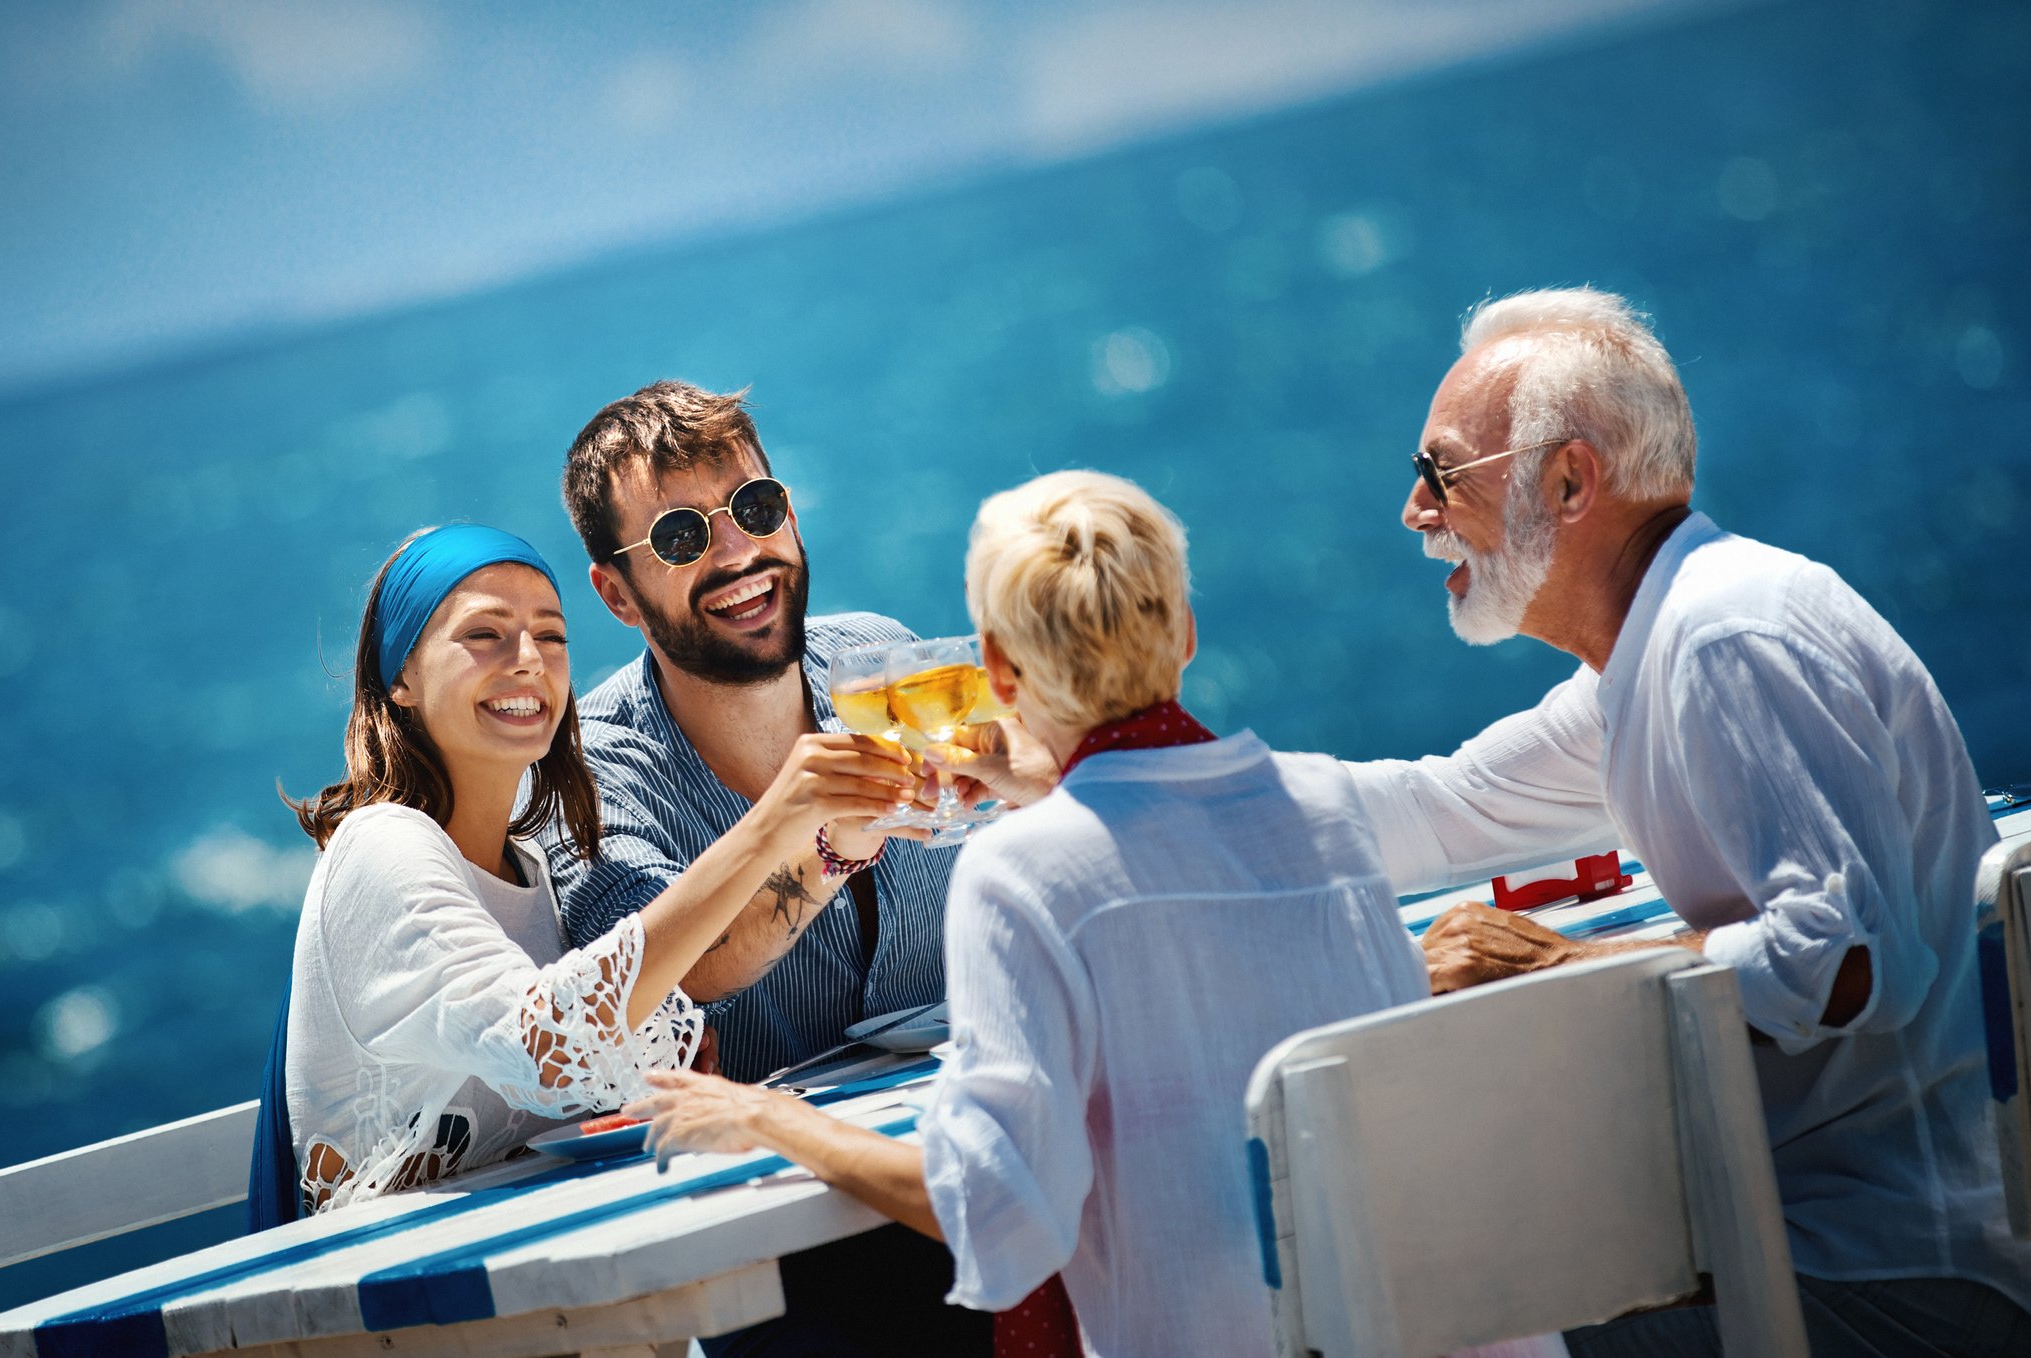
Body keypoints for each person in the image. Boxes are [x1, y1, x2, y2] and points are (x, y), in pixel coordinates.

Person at [1348, 287, 2031, 1356]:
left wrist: (1565, 967)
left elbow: (1842, 960)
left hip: (1901, 1264)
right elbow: (1442, 809)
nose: (1416, 509)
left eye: (1440, 472)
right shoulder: (1653, 649)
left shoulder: (1723, 641)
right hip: (1827, 1234)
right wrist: (1127, 784)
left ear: (1569, 481)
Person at [627, 470, 1433, 1358]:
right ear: (1187, 634)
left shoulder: (1019, 870)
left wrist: (768, 1119)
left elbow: (995, 1212)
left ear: (998, 671)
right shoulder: (1325, 805)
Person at [275, 524, 912, 1214]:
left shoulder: (528, 869)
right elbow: (551, 1042)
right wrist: (775, 820)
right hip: (407, 1271)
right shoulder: (381, 844)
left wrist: (836, 843)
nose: (529, 660)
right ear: (401, 677)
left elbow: (600, 1040)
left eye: (551, 637)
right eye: (485, 634)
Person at [551, 382, 988, 1355]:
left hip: (980, 1168)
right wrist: (827, 842)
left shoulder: (883, 659)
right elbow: (676, 969)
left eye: (755, 508)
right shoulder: (591, 774)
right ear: (616, 593)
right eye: (679, 537)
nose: (738, 553)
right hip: (791, 1261)